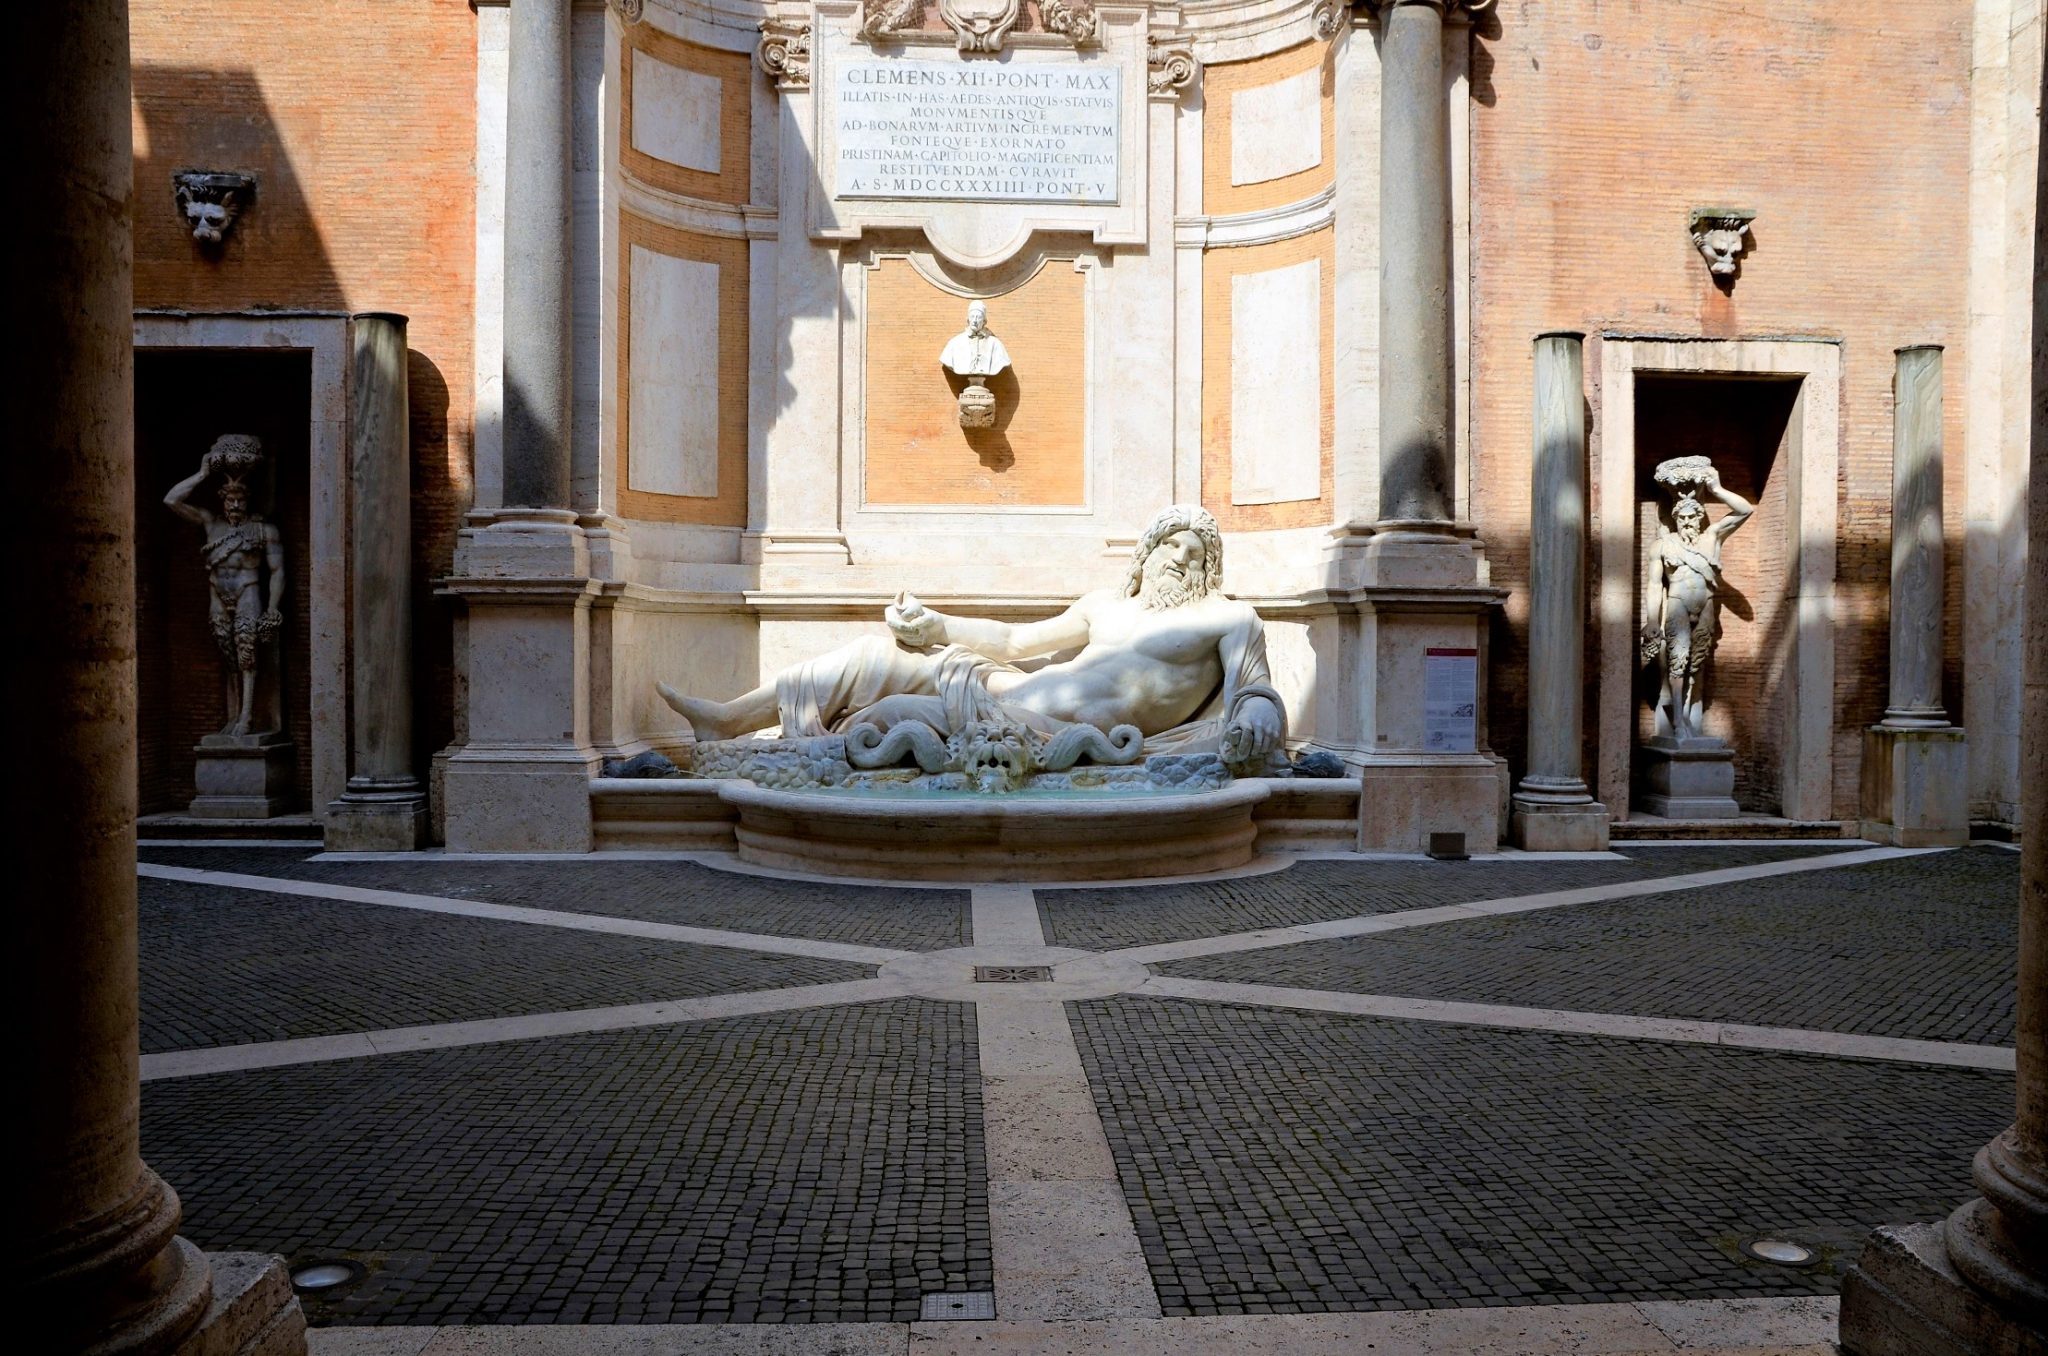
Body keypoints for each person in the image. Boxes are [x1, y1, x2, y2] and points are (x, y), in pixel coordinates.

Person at [659, 504, 1286, 769]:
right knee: (878, 653)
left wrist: (1258, 711)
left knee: (897, 713)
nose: (1179, 558)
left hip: (1051, 732)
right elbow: (1015, 643)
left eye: (1194, 551)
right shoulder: (1105, 606)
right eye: (1169, 544)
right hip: (1016, 689)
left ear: (1209, 568)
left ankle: (803, 758)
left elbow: (1252, 692)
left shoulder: (1227, 618)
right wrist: (937, 627)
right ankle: (731, 720)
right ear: (1146, 554)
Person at [164, 434, 287, 737]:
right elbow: (171, 500)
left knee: (246, 649)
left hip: (248, 589)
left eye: (240, 500)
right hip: (217, 593)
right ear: (222, 499)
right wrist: (203, 473)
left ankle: (247, 717)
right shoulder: (211, 524)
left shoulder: (262, 530)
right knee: (228, 652)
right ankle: (235, 715)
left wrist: (272, 608)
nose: (234, 504)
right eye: (230, 500)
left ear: (248, 501)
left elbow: (278, 571)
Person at [1641, 459, 1753, 740]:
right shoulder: (1663, 545)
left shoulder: (1711, 538)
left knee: (1697, 663)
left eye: (1692, 517)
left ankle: (1690, 716)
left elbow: (1744, 510)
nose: (1687, 522)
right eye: (1682, 518)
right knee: (1678, 660)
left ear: (1700, 517)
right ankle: (1678, 720)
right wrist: (1651, 620)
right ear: (1675, 519)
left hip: (1706, 606)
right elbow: (1655, 585)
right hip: (1678, 602)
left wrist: (1716, 488)